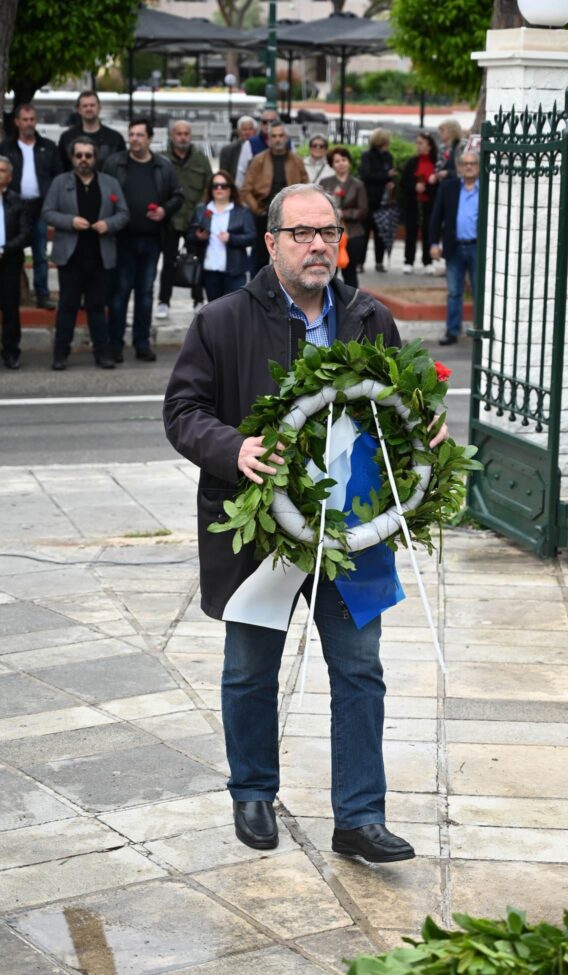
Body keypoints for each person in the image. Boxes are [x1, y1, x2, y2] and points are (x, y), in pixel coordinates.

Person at [164, 182, 449, 862]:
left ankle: (359, 817)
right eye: (302, 233)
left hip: (351, 531)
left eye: (329, 231)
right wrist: (234, 448)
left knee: (359, 671)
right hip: (260, 530)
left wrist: (425, 433)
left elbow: (397, 409)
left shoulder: (367, 317)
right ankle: (254, 793)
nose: (319, 244)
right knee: (248, 670)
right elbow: (183, 411)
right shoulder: (223, 320)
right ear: (270, 243)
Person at [42, 137, 130, 371]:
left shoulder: (110, 183)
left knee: (97, 308)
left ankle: (102, 354)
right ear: (72, 158)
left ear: (95, 158)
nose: (83, 160)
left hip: (101, 256)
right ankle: (60, 354)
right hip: (70, 257)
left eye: (88, 155)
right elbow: (47, 212)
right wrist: (70, 221)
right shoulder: (60, 182)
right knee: (67, 307)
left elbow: (123, 213)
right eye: (78, 155)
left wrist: (108, 224)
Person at [103, 118, 183, 363]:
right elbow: (104, 191)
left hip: (151, 240)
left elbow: (178, 195)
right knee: (120, 293)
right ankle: (115, 344)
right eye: (132, 134)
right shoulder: (115, 163)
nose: (135, 139)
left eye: (140, 135)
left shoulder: (163, 166)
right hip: (122, 239)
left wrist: (164, 211)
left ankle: (142, 343)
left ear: (149, 138)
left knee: (146, 293)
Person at [0, 104, 61, 309]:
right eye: (25, 120)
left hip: (39, 207)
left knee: (40, 253)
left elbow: (57, 176)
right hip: (13, 208)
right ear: (17, 122)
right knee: (8, 252)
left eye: (32, 119)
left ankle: (42, 294)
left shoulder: (48, 147)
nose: (29, 124)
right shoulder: (6, 148)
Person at [156, 120, 212, 319]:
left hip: (193, 221)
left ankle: (198, 300)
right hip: (169, 220)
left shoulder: (201, 160)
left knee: (196, 261)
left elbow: (209, 190)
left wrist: (202, 219)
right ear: (172, 135)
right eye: (178, 133)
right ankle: (163, 301)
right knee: (169, 262)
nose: (183, 137)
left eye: (186, 133)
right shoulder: (162, 159)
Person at [241, 120, 307, 274]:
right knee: (260, 258)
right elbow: (246, 189)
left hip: (291, 216)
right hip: (263, 214)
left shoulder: (296, 161)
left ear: (286, 138)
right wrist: (257, 209)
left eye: (281, 135)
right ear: (268, 139)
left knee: (291, 255)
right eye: (274, 136)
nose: (278, 139)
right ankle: (257, 293)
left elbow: (305, 187)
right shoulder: (258, 160)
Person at [429, 150, 479, 345]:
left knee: (479, 292)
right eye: (465, 163)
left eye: (473, 163)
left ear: (478, 167)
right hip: (454, 247)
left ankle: (478, 331)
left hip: (478, 248)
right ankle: (452, 331)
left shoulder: (487, 190)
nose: (468, 167)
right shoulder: (448, 187)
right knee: (454, 292)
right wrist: (434, 243)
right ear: (459, 167)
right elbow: (436, 216)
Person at [188, 171, 256, 301]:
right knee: (214, 311)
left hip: (235, 271)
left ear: (231, 189)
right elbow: (190, 235)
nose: (219, 188)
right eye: (215, 186)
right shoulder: (202, 210)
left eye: (224, 186)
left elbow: (252, 237)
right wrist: (198, 236)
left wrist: (231, 238)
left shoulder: (242, 211)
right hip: (210, 271)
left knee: (234, 310)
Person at [321, 145, 368, 289]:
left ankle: (352, 306)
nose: (341, 163)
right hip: (329, 234)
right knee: (328, 272)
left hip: (352, 234)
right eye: (336, 161)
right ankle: (327, 304)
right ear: (332, 165)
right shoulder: (325, 183)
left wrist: (344, 214)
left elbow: (363, 210)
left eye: (343, 159)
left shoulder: (358, 185)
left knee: (350, 273)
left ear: (349, 162)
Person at [0, 155, 31, 370]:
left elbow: (25, 233)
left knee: (10, 309)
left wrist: (5, 248)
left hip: (9, 261)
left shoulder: (17, 201)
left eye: (2, 170)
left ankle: (11, 352)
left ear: (9, 177)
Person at [358, 128, 397, 273]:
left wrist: (390, 180)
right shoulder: (367, 156)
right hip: (368, 199)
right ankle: (360, 262)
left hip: (383, 200)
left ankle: (379, 262)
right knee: (365, 233)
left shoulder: (388, 157)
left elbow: (390, 176)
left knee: (381, 232)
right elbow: (366, 176)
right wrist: (386, 175)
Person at [57, 91, 126, 171]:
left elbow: (121, 169)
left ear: (99, 108)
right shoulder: (67, 138)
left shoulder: (115, 138)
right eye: (85, 106)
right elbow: (61, 168)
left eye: (92, 105)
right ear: (78, 110)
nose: (89, 109)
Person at [401, 131, 438, 275]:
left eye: (421, 143)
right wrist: (414, 187)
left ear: (429, 145)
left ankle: (428, 261)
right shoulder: (412, 162)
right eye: (417, 143)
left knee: (428, 232)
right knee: (411, 232)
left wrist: (428, 186)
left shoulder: (435, 163)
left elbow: (438, 185)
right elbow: (404, 183)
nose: (418, 146)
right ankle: (408, 261)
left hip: (430, 204)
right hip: (413, 203)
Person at [235, 109, 279, 187]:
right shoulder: (250, 143)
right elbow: (241, 172)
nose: (268, 124)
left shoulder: (288, 142)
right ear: (261, 124)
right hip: (257, 194)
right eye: (264, 122)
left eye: (272, 121)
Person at [219, 115, 257, 181]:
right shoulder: (227, 151)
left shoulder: (262, 148)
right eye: (244, 129)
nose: (247, 132)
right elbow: (223, 176)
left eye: (250, 129)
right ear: (238, 132)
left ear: (255, 131)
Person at [431, 119, 464, 186]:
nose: (439, 133)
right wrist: (435, 176)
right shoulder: (442, 148)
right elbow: (438, 168)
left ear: (452, 131)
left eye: (442, 130)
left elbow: (464, 172)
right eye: (439, 130)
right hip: (443, 187)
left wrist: (448, 173)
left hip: (458, 186)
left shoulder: (461, 147)